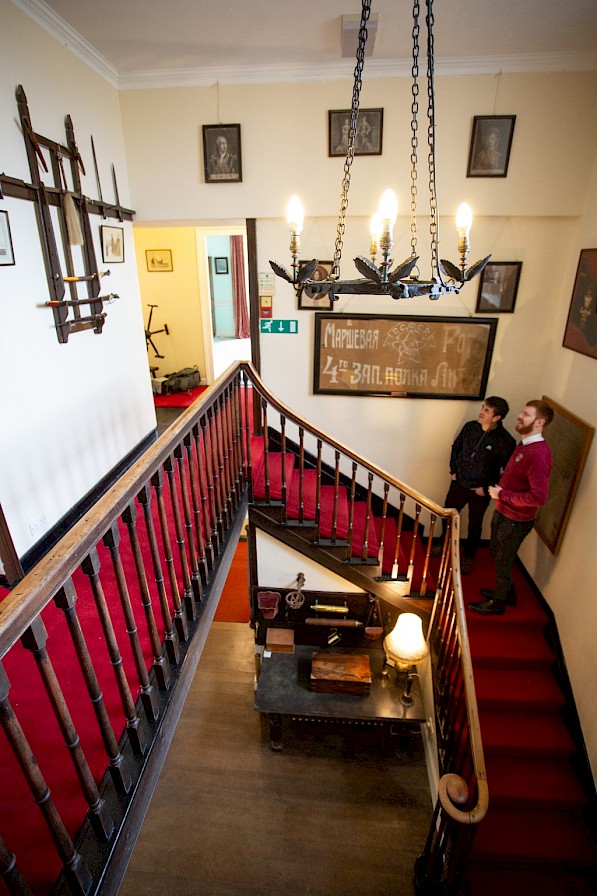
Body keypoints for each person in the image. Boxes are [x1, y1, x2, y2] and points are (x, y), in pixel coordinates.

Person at [469, 399, 554, 615]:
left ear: (540, 422)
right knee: (497, 553)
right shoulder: (524, 444)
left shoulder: (538, 454)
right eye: (522, 412)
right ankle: (507, 592)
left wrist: (502, 494)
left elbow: (538, 498)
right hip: (504, 511)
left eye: (526, 414)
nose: (519, 416)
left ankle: (498, 603)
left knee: (504, 559)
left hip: (516, 519)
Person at [432, 397, 515, 574]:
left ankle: (469, 557)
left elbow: (507, 472)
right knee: (447, 515)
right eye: (483, 407)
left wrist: (486, 490)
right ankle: (442, 543)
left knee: (475, 525)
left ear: (496, 418)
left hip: (480, 491)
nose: (481, 412)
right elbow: (456, 447)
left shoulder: (506, 441)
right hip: (459, 484)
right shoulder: (470, 427)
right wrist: (453, 471)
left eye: (486, 410)